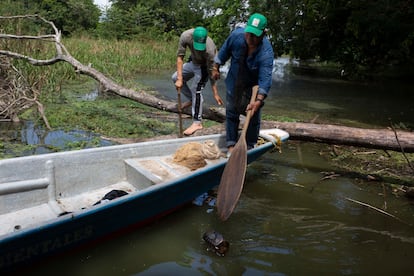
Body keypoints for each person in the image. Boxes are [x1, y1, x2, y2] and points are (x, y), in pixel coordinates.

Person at [212, 13, 274, 153]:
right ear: (246, 29)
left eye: (255, 35)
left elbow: (265, 79)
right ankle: (231, 145)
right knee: (232, 112)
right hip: (234, 80)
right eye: (249, 33)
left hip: (253, 86)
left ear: (263, 34)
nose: (250, 38)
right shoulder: (236, 36)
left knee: (252, 116)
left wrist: (258, 101)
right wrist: (216, 68)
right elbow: (223, 53)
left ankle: (250, 145)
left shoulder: (266, 52)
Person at [172, 27, 223, 136]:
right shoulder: (185, 36)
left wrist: (215, 93)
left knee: (196, 89)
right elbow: (180, 58)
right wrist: (180, 79)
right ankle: (192, 100)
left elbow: (211, 73)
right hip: (193, 62)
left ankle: (197, 122)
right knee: (175, 77)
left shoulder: (210, 49)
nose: (199, 49)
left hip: (204, 67)